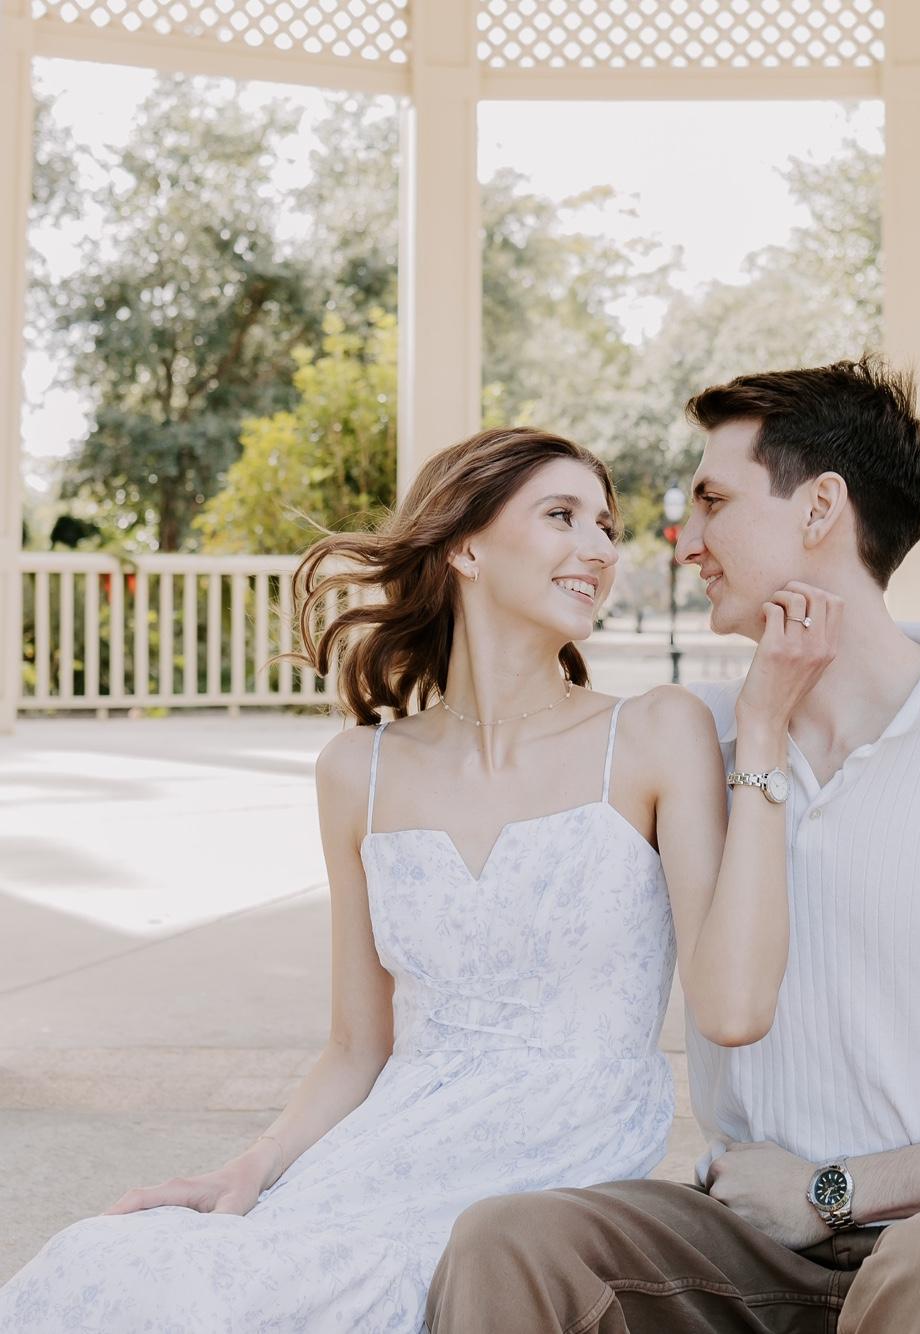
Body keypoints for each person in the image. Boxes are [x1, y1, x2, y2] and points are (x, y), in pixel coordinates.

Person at [0, 427, 840, 1332]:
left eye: (606, 526)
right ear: (465, 548)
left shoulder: (653, 733)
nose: (600, 549)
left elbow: (733, 1009)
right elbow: (358, 1047)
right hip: (376, 1162)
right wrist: (250, 1167)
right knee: (103, 1266)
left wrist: (762, 728)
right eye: (562, 516)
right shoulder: (357, 770)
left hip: (537, 1186)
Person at [428, 358, 920, 1334]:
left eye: (712, 502)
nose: (684, 540)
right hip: (751, 1244)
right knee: (508, 1239)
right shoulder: (692, 739)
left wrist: (838, 1188)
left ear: (820, 507)